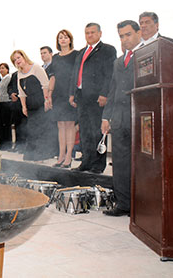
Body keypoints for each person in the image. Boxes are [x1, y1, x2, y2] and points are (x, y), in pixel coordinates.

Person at [101, 20, 142, 217]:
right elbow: (113, 90)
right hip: (119, 119)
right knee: (120, 162)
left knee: (141, 163)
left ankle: (142, 206)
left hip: (140, 117)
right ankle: (123, 203)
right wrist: (106, 116)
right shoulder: (118, 61)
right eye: (121, 36)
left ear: (138, 33)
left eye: (128, 34)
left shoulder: (147, 55)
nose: (125, 39)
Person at [69, 23, 116, 173]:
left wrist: (104, 93)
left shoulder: (107, 50)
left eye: (93, 32)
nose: (89, 35)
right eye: (87, 33)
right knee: (85, 131)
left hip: (97, 97)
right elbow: (75, 74)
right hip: (81, 96)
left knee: (97, 130)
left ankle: (98, 165)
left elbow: (109, 73)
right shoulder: (81, 52)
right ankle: (86, 161)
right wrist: (72, 93)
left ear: (100, 33)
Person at [11, 50, 51, 161]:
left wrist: (46, 100)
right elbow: (21, 92)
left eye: (18, 58)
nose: (17, 61)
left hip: (40, 102)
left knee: (40, 129)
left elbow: (45, 85)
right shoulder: (19, 73)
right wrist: (24, 106)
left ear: (24, 57)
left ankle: (41, 154)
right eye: (14, 60)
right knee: (31, 129)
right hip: (30, 104)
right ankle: (31, 154)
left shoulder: (36, 67)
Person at [50, 30, 78, 168]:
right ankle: (61, 155)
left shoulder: (76, 55)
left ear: (70, 40)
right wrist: (49, 94)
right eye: (60, 37)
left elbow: (77, 75)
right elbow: (53, 77)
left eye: (65, 37)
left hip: (70, 93)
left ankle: (69, 156)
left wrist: (73, 94)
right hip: (57, 94)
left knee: (69, 125)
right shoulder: (55, 57)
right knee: (60, 125)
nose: (63, 39)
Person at [0, 63, 12, 150]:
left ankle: (7, 144)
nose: (1, 70)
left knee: (6, 124)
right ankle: (1, 142)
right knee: (0, 124)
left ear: (7, 69)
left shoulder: (9, 78)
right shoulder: (1, 79)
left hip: (6, 103)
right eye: (0, 68)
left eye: (3, 68)